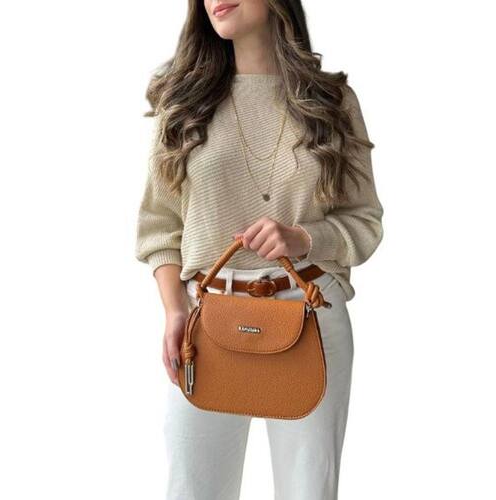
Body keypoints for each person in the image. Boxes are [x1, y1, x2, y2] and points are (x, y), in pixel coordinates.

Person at [135, 1, 384, 498]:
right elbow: (159, 226)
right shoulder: (183, 99)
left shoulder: (332, 102)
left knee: (307, 489)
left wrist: (303, 238)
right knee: (193, 490)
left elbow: (365, 221)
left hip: (309, 313)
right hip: (208, 320)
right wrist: (174, 310)